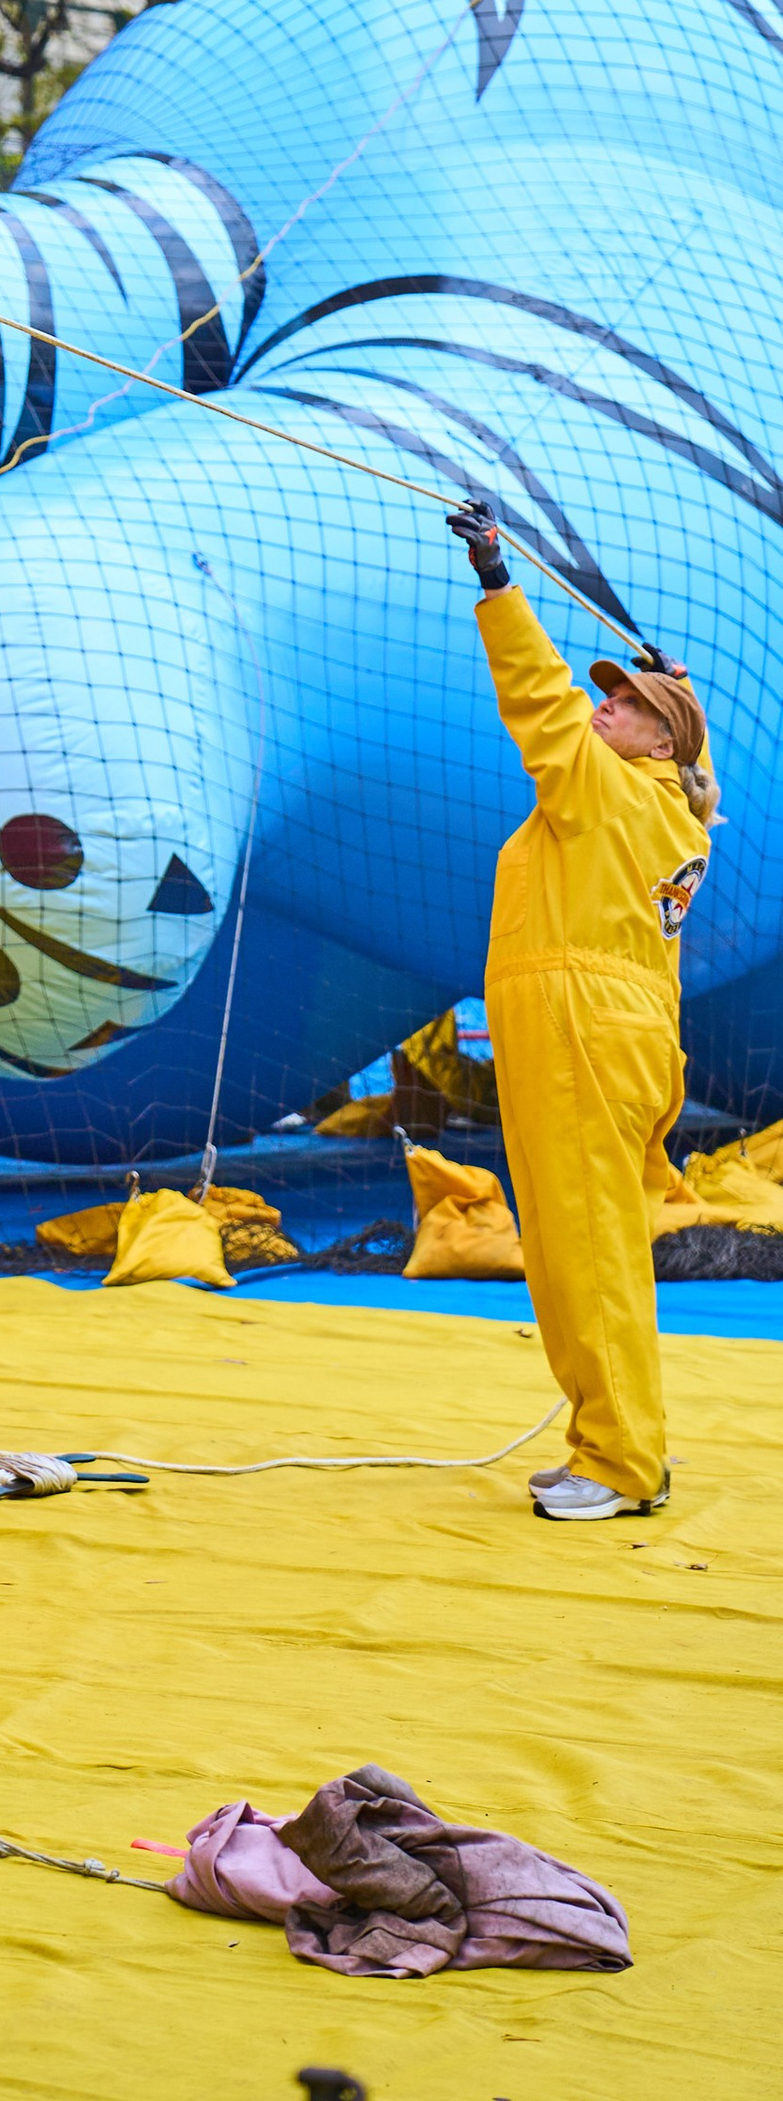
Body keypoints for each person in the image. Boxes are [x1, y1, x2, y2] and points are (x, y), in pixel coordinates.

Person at [446, 498, 717, 1522]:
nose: (603, 706)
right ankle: (610, 1442)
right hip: (612, 1033)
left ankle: (621, 1461)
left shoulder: (606, 789)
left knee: (587, 1253)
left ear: (658, 737)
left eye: (627, 701)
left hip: (579, 1034)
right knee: (581, 1247)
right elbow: (683, 759)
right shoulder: (667, 807)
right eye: (608, 695)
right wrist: (674, 688)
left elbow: (539, 697)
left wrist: (496, 582)